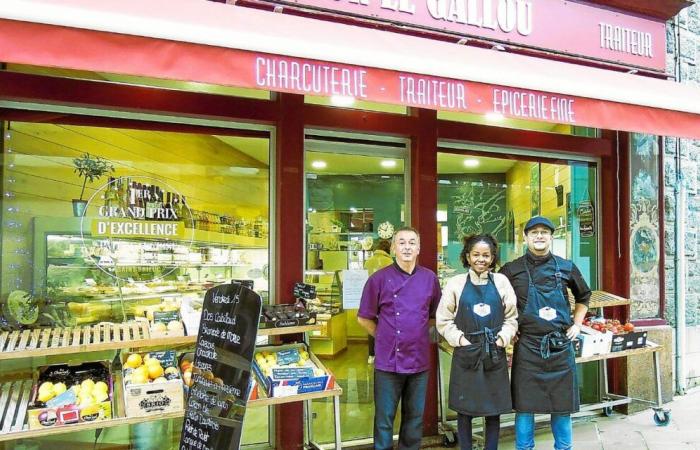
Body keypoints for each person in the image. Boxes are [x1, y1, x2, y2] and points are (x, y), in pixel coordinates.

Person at [500, 216, 591, 450]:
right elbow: (496, 299)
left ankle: (564, 447)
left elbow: (584, 297)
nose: (539, 236)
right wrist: (509, 327)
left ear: (552, 236)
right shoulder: (511, 270)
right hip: (528, 346)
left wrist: (577, 325)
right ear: (525, 237)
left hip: (560, 346)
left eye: (544, 232)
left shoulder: (566, 266)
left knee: (562, 406)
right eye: (534, 232)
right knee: (525, 407)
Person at [357, 226, 441, 450]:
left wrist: (418, 336)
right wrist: (385, 337)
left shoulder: (430, 279)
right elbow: (364, 318)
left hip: (419, 360)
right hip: (388, 362)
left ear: (419, 248)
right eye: (401, 242)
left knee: (414, 419)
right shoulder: (378, 279)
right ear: (393, 248)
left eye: (412, 242)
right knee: (384, 419)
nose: (407, 247)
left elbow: (433, 317)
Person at [437, 234, 518, 450]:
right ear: (467, 257)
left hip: (494, 351)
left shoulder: (501, 282)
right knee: (465, 411)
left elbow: (512, 317)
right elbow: (443, 320)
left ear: (492, 258)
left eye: (486, 255)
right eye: (476, 255)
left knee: (494, 409)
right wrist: (460, 340)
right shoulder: (456, 283)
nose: (481, 259)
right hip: (466, 353)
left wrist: (502, 338)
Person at [363, 239, 394, 364]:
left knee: (371, 325)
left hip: (370, 298)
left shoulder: (368, 262)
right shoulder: (390, 262)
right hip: (386, 299)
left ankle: (372, 354)